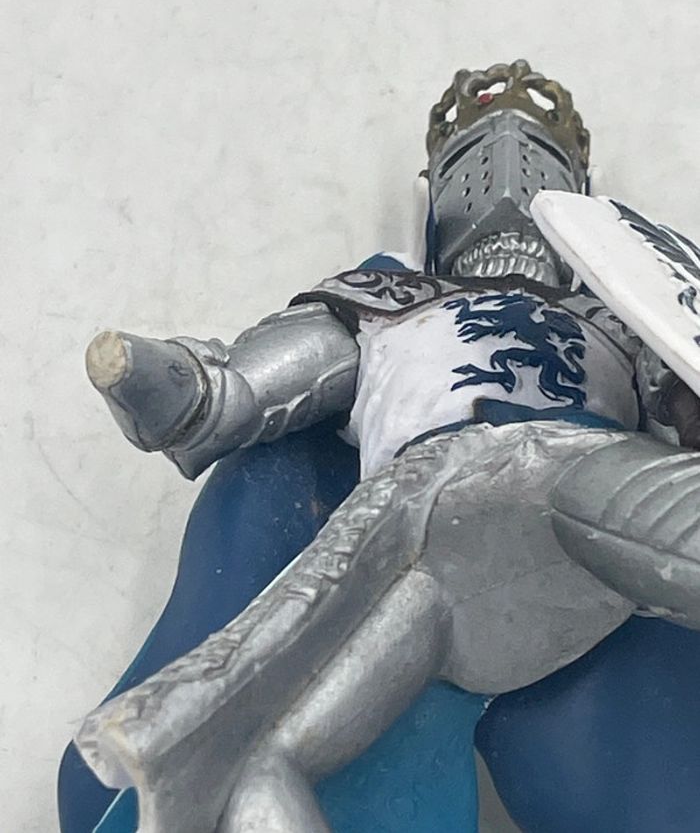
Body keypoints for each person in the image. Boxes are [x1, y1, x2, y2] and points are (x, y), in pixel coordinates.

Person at [59, 60, 700, 832]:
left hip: (567, 478)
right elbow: (236, 394)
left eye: (537, 156)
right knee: (259, 736)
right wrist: (167, 386)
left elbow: (681, 397)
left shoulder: (617, 317)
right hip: (424, 526)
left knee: (589, 492)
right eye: (476, 155)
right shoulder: (386, 300)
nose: (505, 178)